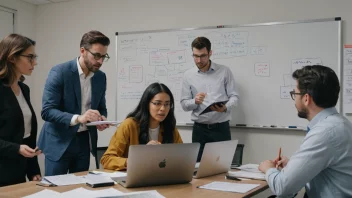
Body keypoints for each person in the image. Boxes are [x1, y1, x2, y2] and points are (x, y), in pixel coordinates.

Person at [259, 65, 352, 198]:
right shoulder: (339, 123)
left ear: (306, 98)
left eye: (295, 94)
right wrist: (292, 166)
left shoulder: (324, 133)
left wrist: (268, 168)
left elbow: (283, 188)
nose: (294, 100)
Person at [38, 30, 111, 176]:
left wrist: (101, 119)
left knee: (81, 189)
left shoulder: (100, 77)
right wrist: (78, 118)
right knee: (55, 191)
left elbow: (101, 107)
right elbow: (47, 111)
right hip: (58, 141)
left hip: (84, 142)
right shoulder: (60, 72)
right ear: (83, 51)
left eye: (104, 57)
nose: (100, 61)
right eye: (96, 56)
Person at [180, 37, 239, 162]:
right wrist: (194, 101)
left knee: (223, 165)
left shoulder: (224, 71)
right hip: (199, 130)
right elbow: (184, 104)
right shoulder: (188, 75)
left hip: (221, 128)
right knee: (197, 168)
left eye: (203, 56)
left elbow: (234, 97)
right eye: (195, 56)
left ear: (210, 53)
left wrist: (225, 107)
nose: (199, 60)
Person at [101, 83, 183, 170]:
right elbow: (106, 159)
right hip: (134, 178)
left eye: (167, 104)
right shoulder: (129, 125)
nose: (163, 108)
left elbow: (183, 157)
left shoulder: (170, 128)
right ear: (147, 104)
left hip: (162, 177)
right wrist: (136, 160)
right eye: (157, 103)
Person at [0, 34, 41, 186]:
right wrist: (16, 148)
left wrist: (33, 170)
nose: (34, 62)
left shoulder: (24, 89)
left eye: (35, 57)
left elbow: (27, 135)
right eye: (30, 57)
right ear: (11, 57)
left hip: (18, 171)